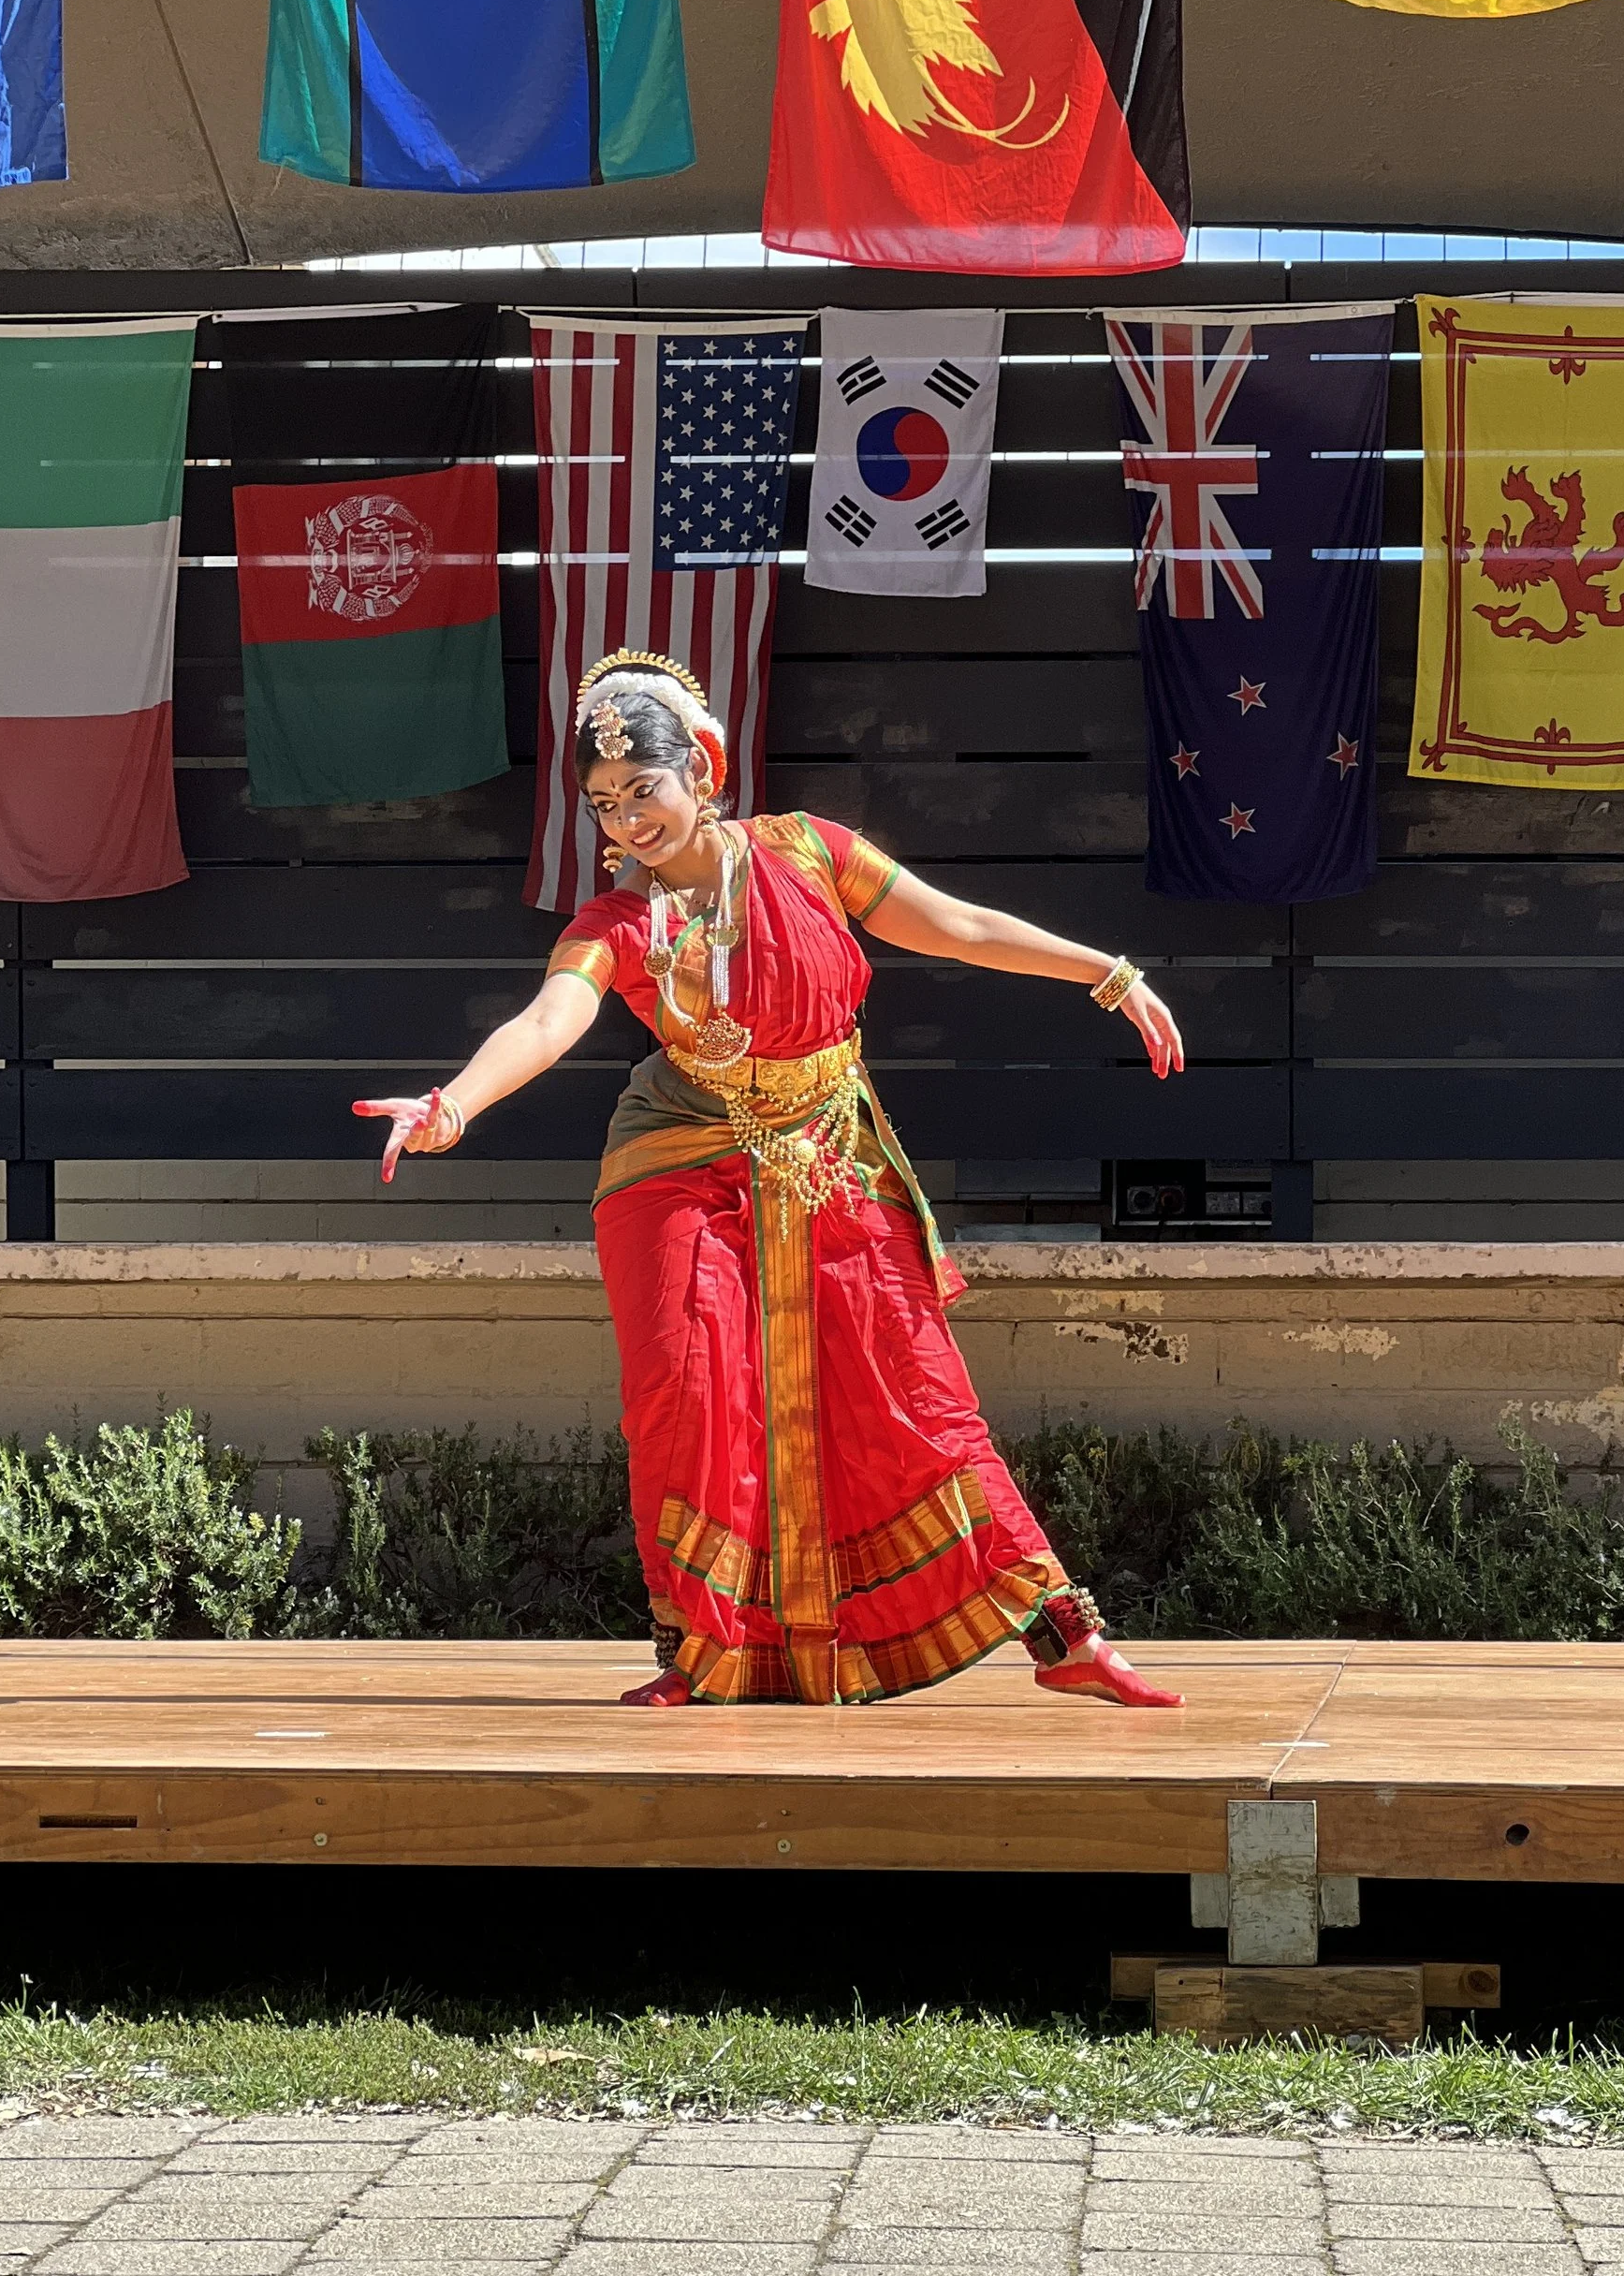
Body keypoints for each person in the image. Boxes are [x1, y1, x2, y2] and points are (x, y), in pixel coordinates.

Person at [357, 649, 1183, 1713]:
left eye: (641, 791)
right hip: (677, 1165)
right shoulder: (619, 925)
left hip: (830, 1152)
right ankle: (698, 1653)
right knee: (685, 1396)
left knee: (918, 1395)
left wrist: (1106, 975)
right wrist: (454, 1103)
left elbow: (961, 925)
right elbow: (548, 1020)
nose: (625, 822)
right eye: (603, 803)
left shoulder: (812, 854)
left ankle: (1063, 1633)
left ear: (700, 767)